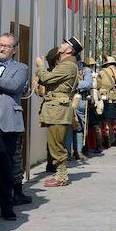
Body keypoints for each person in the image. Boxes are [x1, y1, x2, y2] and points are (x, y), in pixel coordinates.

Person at [35, 37, 81, 186]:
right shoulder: (65, 63)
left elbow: (47, 78)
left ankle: (61, 177)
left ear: (69, 49)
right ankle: (60, 174)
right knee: (54, 142)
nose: (61, 45)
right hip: (55, 108)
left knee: (56, 144)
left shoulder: (68, 65)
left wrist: (40, 67)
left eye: (65, 44)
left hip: (58, 109)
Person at [0, 33, 29, 221]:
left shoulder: (21, 68)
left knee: (7, 166)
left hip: (9, 123)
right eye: (0, 44)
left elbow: (14, 85)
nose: (2, 48)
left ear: (14, 50)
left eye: (6, 46)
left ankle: (8, 205)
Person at [70, 56, 96, 161]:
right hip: (68, 99)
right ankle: (68, 152)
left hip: (80, 100)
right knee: (68, 126)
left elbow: (88, 84)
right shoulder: (66, 68)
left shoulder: (86, 70)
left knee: (79, 127)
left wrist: (73, 85)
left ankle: (78, 151)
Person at [80, 58, 105, 155]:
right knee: (93, 125)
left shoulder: (89, 74)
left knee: (88, 125)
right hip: (91, 101)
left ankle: (89, 147)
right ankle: (95, 146)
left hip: (90, 101)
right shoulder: (95, 75)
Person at [97, 55, 116, 147]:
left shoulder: (102, 72)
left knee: (105, 120)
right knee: (113, 120)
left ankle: (106, 141)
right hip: (114, 98)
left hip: (105, 97)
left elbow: (98, 85)